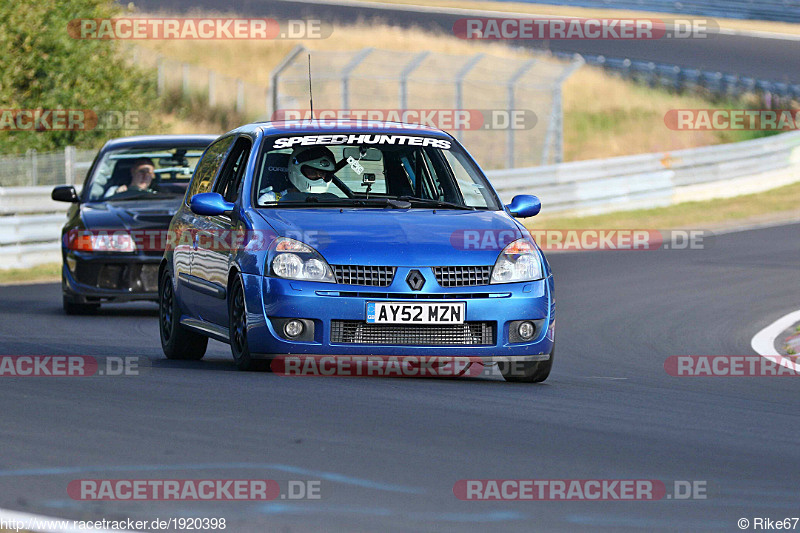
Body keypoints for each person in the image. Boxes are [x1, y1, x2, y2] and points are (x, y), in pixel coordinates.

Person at [258, 146, 336, 203]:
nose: (320, 177)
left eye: (323, 173)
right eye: (313, 172)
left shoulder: (334, 202)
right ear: (297, 170)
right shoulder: (270, 201)